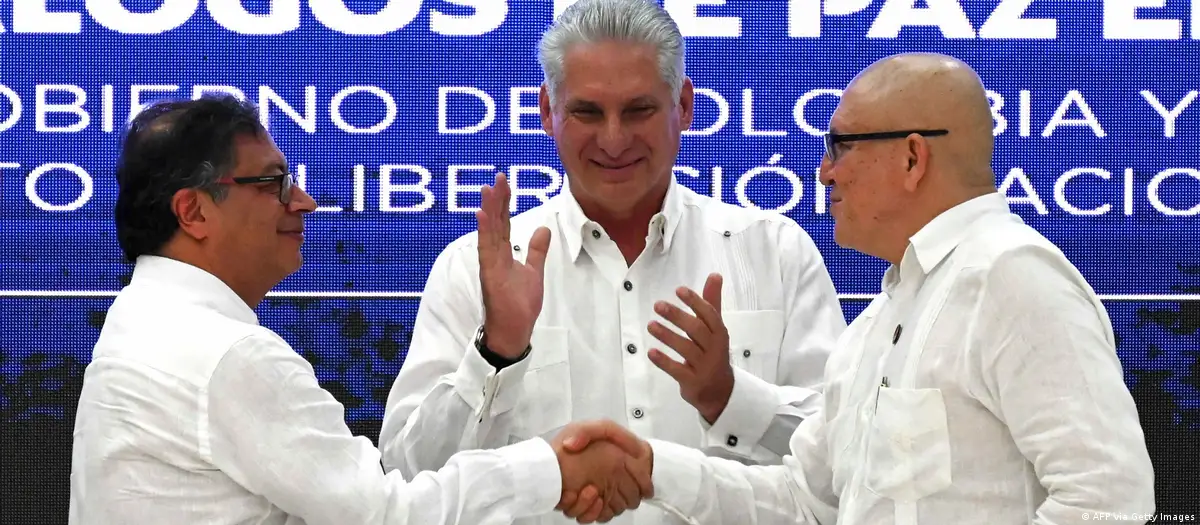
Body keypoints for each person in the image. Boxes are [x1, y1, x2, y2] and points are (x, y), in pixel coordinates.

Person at [562, 52, 1158, 524]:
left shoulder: (1009, 277)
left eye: (841, 145)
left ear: (912, 157)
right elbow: (805, 500)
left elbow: (1110, 497)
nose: (825, 170)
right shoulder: (879, 320)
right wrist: (651, 468)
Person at [67, 94, 654, 525]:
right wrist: (553, 469)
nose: (303, 201)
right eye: (273, 183)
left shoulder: (144, 318)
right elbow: (384, 515)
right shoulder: (225, 354)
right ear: (193, 212)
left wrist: (499, 345)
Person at [379, 0, 846, 521]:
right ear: (547, 113)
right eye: (587, 112)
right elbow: (408, 478)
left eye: (639, 109)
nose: (614, 139)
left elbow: (847, 466)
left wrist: (728, 396)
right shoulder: (475, 268)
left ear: (684, 105)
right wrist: (497, 354)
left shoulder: (773, 252)